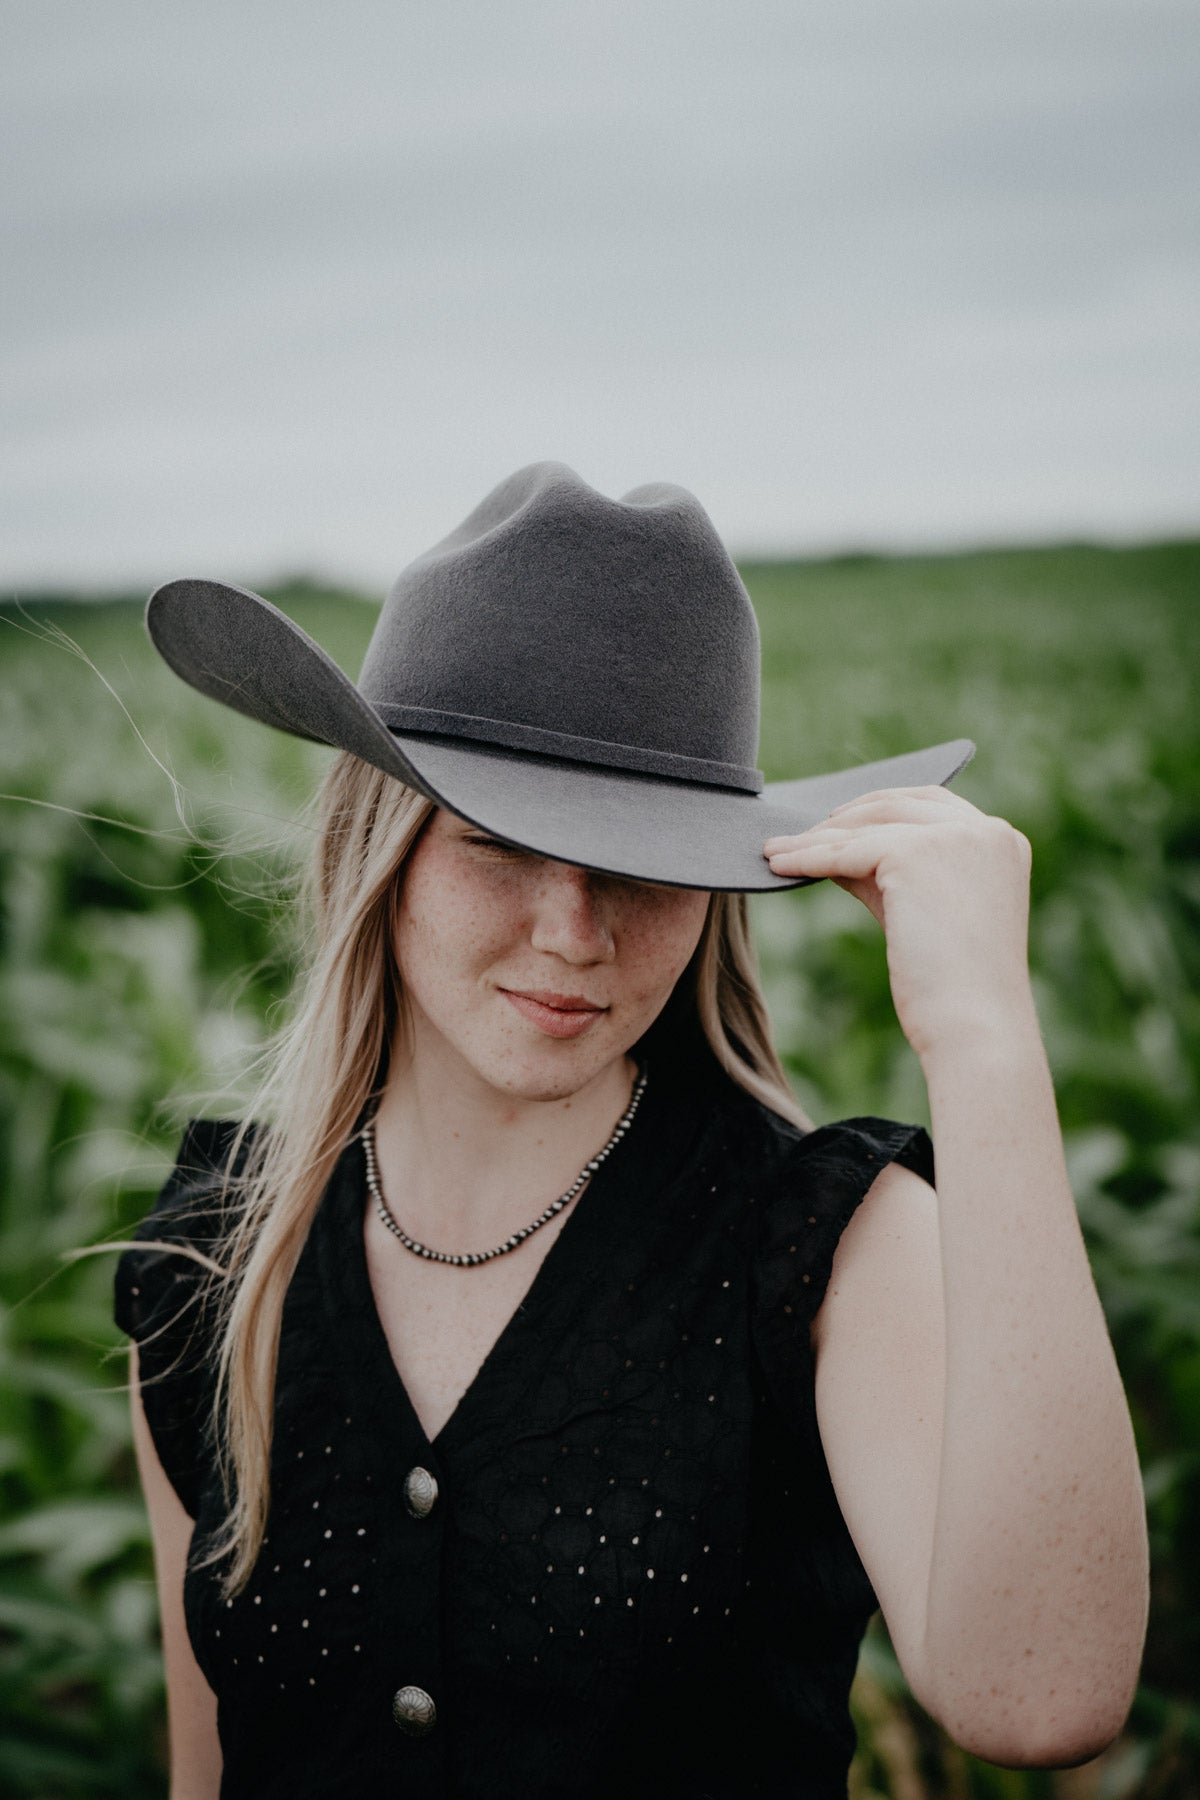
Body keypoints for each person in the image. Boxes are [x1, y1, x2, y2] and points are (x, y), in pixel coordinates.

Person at [114, 463, 1148, 1799]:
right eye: (496, 840)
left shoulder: (827, 1251)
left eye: (644, 859)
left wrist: (989, 1046)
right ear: (380, 840)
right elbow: (210, 1772)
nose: (573, 933)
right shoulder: (216, 1257)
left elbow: (1042, 1693)